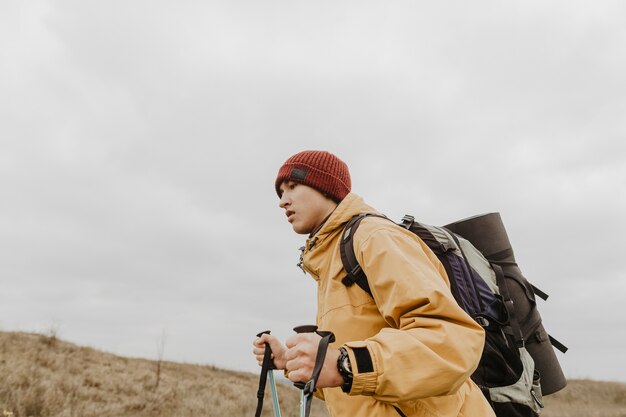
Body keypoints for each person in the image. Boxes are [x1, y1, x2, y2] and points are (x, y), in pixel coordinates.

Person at [253, 150, 495, 417]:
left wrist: (344, 364)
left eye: (292, 187)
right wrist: (291, 361)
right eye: (280, 192)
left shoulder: (374, 238)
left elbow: (451, 341)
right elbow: (354, 381)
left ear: (326, 187)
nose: (282, 201)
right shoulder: (329, 261)